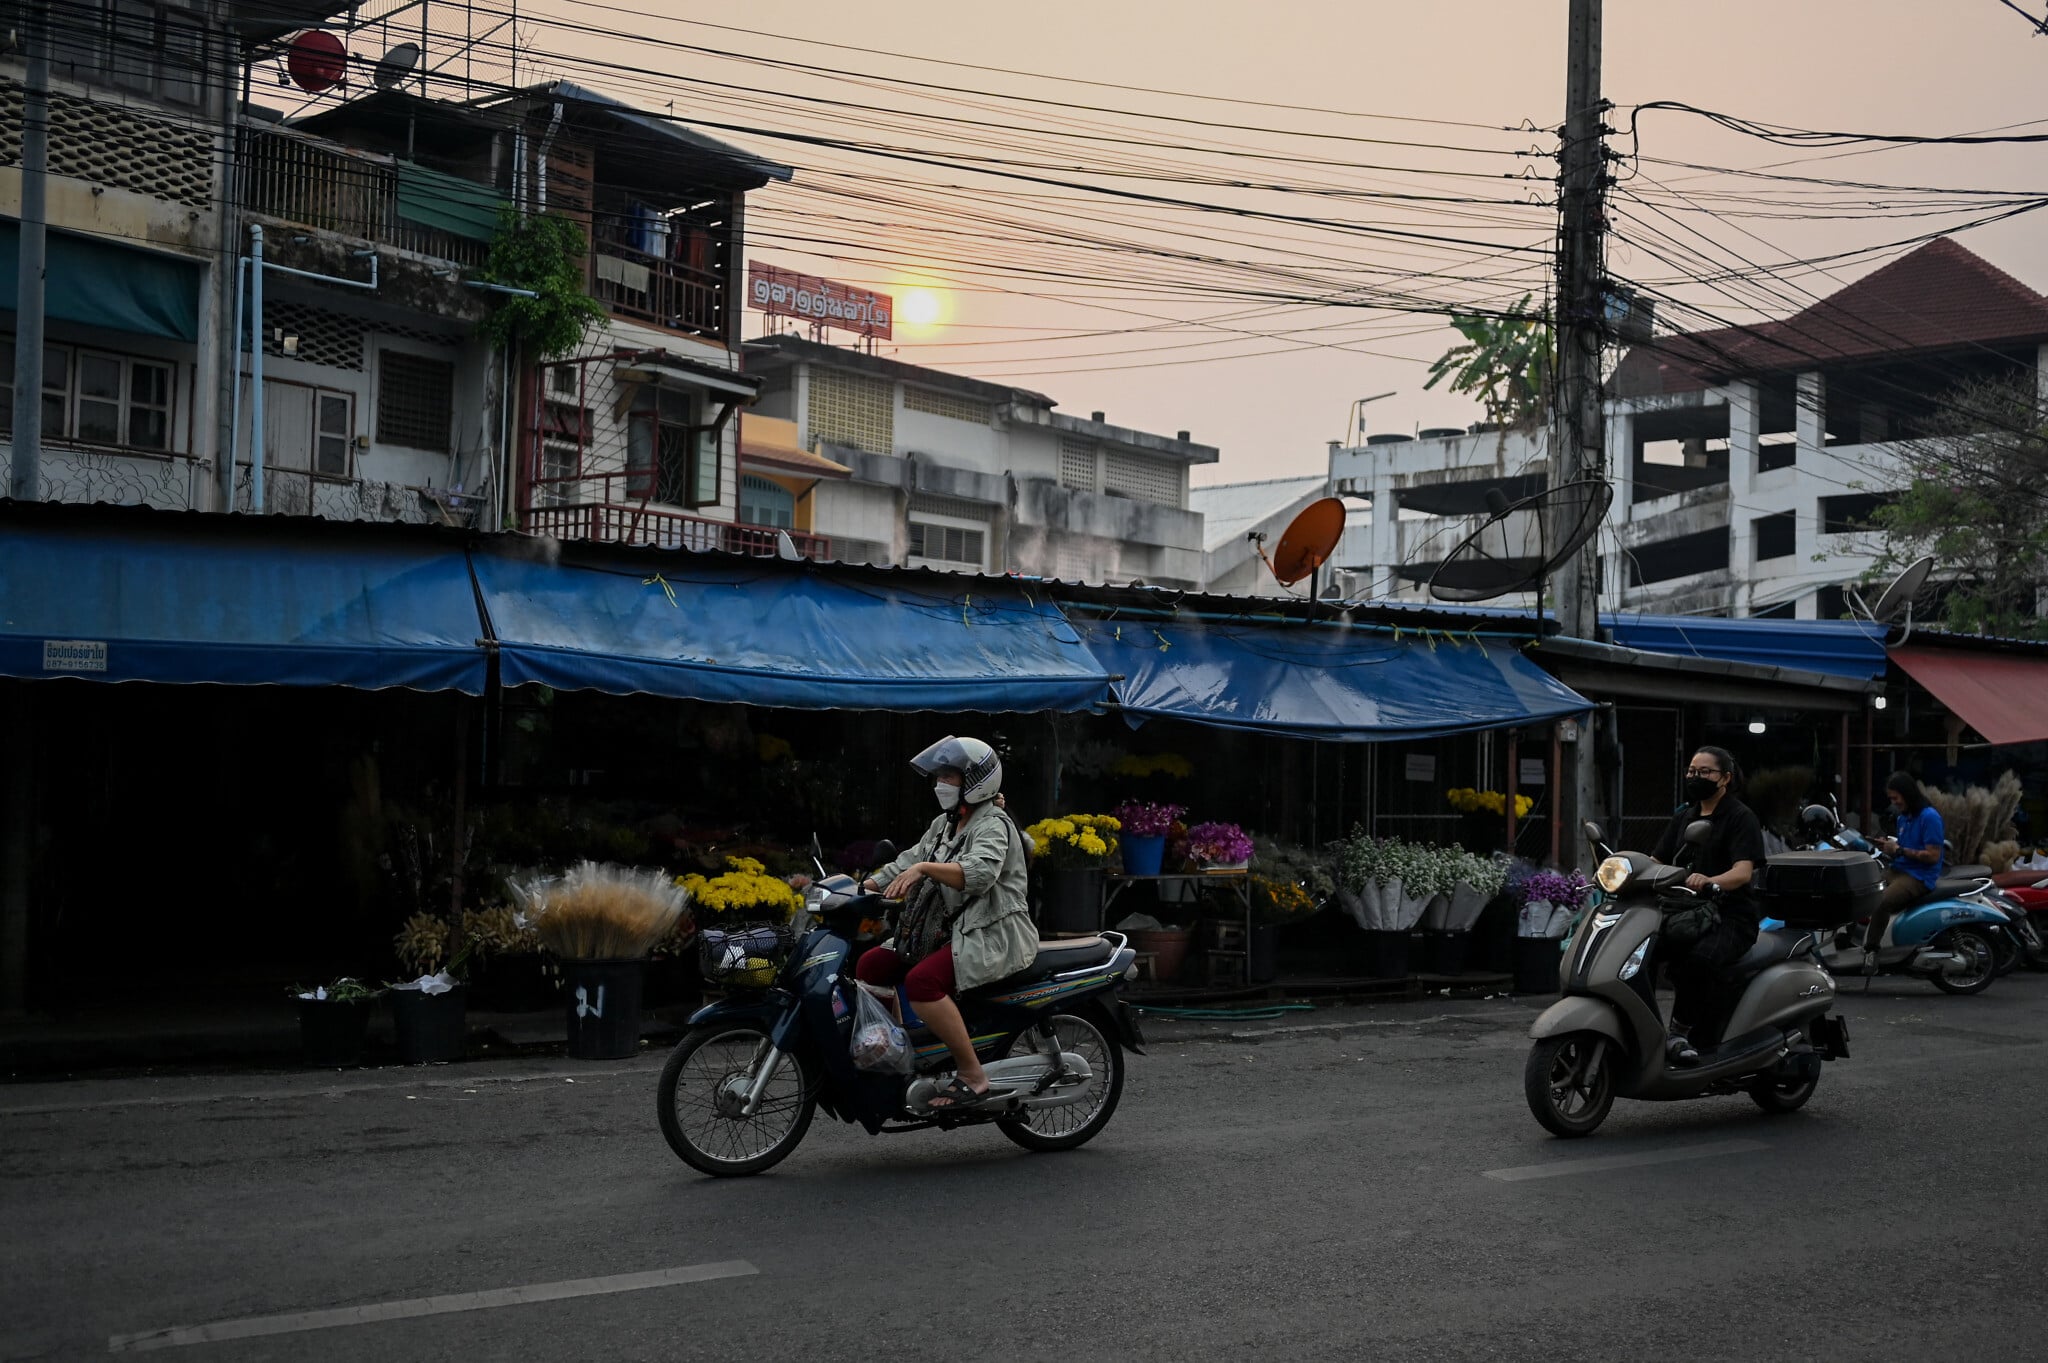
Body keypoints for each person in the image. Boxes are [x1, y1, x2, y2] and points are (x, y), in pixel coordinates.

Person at [855, 736, 1035, 1109]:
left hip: (989, 932)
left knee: (922, 982)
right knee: (870, 965)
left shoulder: (994, 823)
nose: (941, 784)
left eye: (950, 777)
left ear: (976, 781)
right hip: (941, 929)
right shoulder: (943, 824)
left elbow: (979, 874)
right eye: (940, 776)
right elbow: (907, 860)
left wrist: (924, 869)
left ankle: (973, 1074)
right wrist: (863, 887)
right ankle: (895, 1053)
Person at [1650, 745, 1766, 1067]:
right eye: (1691, 771)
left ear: (1725, 778)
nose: (1695, 777)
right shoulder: (1684, 816)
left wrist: (1709, 879)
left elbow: (1743, 872)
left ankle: (1680, 1033)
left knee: (1697, 960)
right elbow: (1655, 861)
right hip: (1685, 912)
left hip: (1730, 916)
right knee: (1640, 951)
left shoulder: (1740, 817)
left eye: (1704, 772)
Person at [1868, 772, 1944, 959]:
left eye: (1896, 798)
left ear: (1907, 794)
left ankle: (1870, 951)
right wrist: (1888, 847)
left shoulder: (1929, 817)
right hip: (1899, 869)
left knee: (1881, 902)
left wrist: (1899, 850)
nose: (1894, 802)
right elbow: (1901, 848)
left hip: (1919, 876)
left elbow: (1933, 856)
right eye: (1891, 798)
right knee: (1862, 890)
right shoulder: (1903, 817)